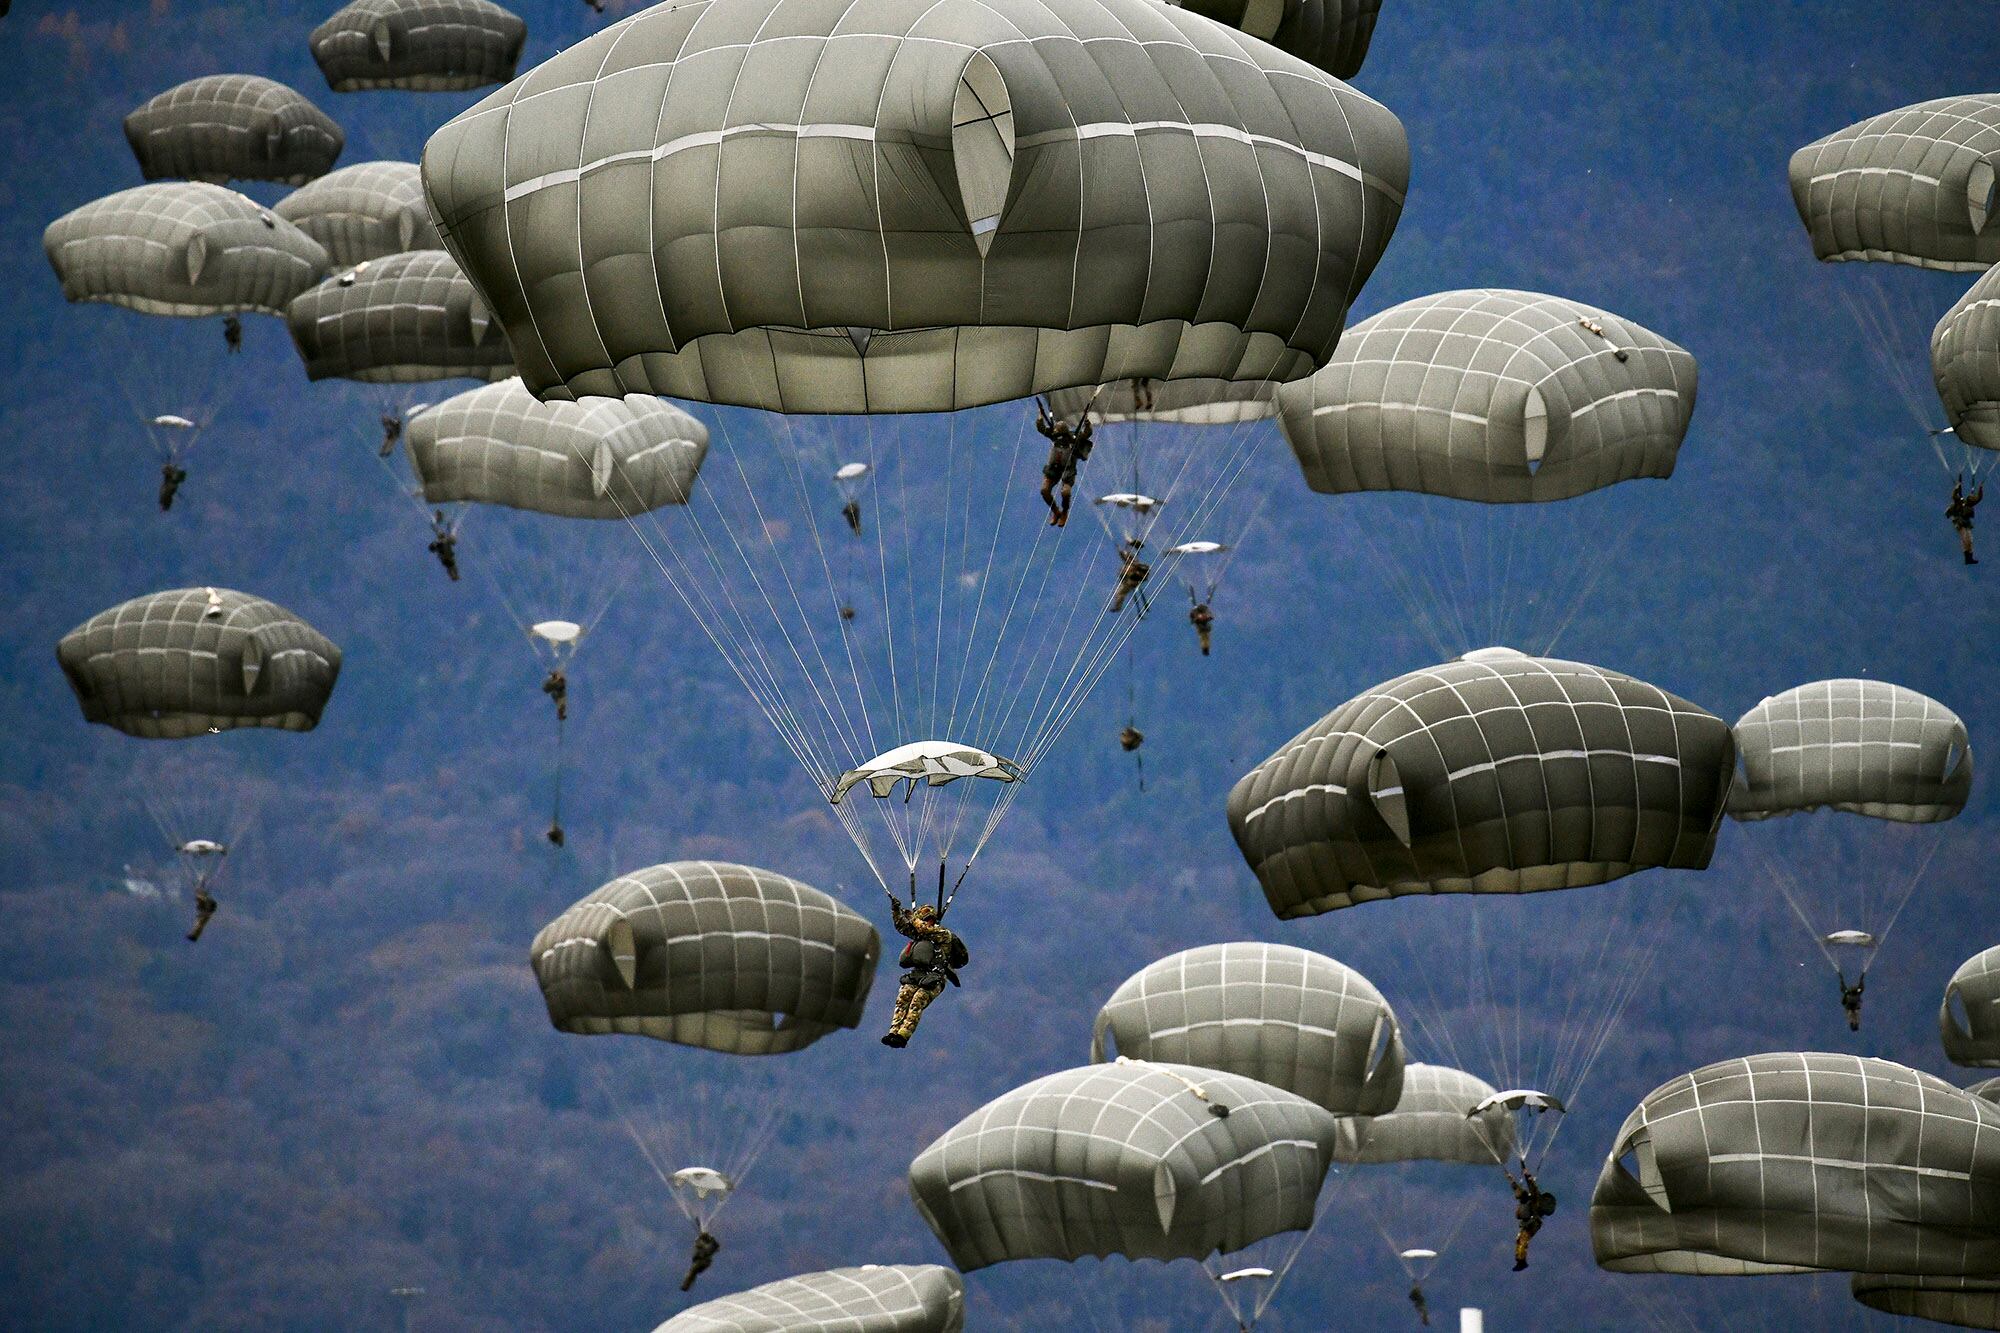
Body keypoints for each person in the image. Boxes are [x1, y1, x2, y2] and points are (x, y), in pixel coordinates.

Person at [881, 895, 966, 1048]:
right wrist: (895, 910)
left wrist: (913, 918)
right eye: (926, 919)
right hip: (918, 975)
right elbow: (902, 926)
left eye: (931, 919)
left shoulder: (942, 934)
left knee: (917, 1000)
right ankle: (893, 1032)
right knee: (903, 997)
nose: (929, 922)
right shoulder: (919, 935)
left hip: (935, 978)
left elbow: (923, 928)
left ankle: (903, 1035)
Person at [1035, 403, 1094, 527]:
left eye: (1061, 436)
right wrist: (1040, 414)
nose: (1059, 439)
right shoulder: (1054, 435)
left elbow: (1087, 433)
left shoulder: (1074, 438)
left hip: (1068, 470)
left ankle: (1065, 513)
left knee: (1065, 492)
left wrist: (1087, 421)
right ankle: (1056, 512)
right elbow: (1041, 428)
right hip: (1053, 468)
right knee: (1044, 490)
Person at [1507, 1167, 1557, 1271]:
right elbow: (1517, 1189)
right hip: (1528, 1223)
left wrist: (1527, 1176)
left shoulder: (1534, 1200)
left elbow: (1533, 1188)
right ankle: (1520, 1261)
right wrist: (1511, 1180)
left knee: (1523, 1239)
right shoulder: (1524, 1198)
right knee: (1519, 1239)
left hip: (1533, 1223)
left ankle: (1521, 1262)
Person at [1948, 475, 1983, 564]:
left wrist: (1980, 488)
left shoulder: (1970, 505)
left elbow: (1979, 498)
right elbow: (1953, 496)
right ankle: (1967, 558)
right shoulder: (1960, 502)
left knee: (1969, 540)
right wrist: (1956, 488)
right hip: (1960, 522)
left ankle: (1969, 558)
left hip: (1966, 523)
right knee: (1965, 538)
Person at [1108, 539, 1150, 613]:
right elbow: (1124, 555)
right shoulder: (1132, 562)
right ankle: (1118, 607)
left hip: (1131, 580)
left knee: (1120, 593)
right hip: (1131, 580)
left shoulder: (1132, 563)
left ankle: (1118, 607)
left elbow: (1125, 555)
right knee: (1120, 593)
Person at [427, 511, 460, 581]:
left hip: (447, 558)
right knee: (451, 536)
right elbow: (431, 548)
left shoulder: (441, 542)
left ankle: (438, 517)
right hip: (447, 558)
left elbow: (431, 548)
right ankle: (454, 576)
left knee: (450, 536)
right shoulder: (444, 541)